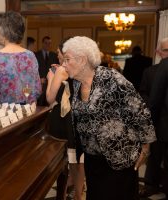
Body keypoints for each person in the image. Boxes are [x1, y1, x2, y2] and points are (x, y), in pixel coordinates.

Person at [62, 36, 156, 200]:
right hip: (93, 159)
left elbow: (140, 111)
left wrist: (146, 148)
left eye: (67, 59)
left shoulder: (112, 79)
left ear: (83, 60)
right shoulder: (77, 83)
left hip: (119, 159)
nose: (64, 64)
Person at [46, 38, 85, 200]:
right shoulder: (81, 68)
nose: (57, 56)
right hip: (77, 117)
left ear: (64, 53)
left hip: (62, 121)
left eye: (58, 53)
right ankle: (78, 194)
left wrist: (50, 78)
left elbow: (49, 98)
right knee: (78, 160)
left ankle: (61, 194)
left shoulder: (60, 71)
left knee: (61, 162)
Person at [0, 11, 41, 103]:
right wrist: (25, 98)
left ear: (2, 30)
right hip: (29, 111)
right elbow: (37, 90)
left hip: (5, 113)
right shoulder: (30, 55)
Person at [148, 37, 168, 199]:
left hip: (163, 124)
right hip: (163, 123)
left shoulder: (164, 65)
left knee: (159, 157)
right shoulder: (162, 66)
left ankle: (155, 185)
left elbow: (155, 98)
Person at [36, 36, 59, 106]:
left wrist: (52, 77)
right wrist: (39, 79)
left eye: (49, 43)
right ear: (42, 43)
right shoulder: (36, 54)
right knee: (39, 104)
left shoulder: (54, 55)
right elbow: (35, 69)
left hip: (50, 83)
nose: (47, 45)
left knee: (49, 105)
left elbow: (55, 67)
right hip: (40, 83)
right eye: (46, 43)